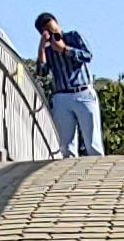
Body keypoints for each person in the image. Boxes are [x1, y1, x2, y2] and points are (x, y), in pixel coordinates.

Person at [34, 13, 103, 156]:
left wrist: (65, 50)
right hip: (61, 96)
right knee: (66, 146)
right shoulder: (47, 49)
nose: (55, 36)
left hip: (83, 92)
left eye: (56, 31)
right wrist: (42, 47)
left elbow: (88, 55)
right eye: (50, 33)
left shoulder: (73, 37)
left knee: (93, 144)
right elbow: (41, 72)